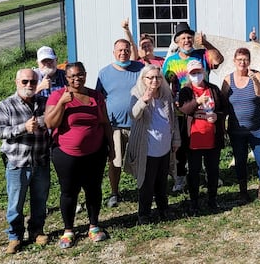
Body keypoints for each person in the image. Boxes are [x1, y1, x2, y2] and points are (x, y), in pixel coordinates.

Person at [45, 62, 112, 249]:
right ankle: (68, 230)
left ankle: (94, 226)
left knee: (93, 189)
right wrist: (62, 103)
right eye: (72, 76)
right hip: (66, 154)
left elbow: (105, 123)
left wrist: (112, 147)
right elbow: (50, 123)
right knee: (69, 192)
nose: (77, 79)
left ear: (85, 74)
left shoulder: (96, 96)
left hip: (95, 152)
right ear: (66, 78)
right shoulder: (58, 96)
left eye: (80, 74)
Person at [163, 22, 224, 192]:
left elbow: (219, 60)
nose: (186, 41)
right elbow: (164, 83)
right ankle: (181, 176)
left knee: (208, 142)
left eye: (189, 37)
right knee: (182, 145)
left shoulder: (202, 55)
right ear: (177, 42)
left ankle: (210, 174)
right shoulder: (171, 61)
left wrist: (205, 43)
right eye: (182, 38)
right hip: (181, 110)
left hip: (205, 108)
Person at [0, 68, 50, 254]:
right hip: (17, 162)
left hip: (40, 160)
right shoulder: (6, 105)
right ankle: (15, 236)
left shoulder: (44, 103)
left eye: (33, 82)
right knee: (16, 202)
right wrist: (23, 128)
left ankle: (36, 231)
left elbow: (52, 122)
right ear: (16, 82)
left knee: (40, 199)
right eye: (25, 81)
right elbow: (0, 132)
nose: (29, 85)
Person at [222, 48, 260, 207]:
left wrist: (255, 80)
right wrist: (222, 124)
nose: (242, 62)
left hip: (257, 128)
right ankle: (243, 192)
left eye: (245, 59)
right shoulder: (228, 80)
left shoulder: (256, 75)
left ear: (249, 61)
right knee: (240, 161)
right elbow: (223, 103)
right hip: (237, 129)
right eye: (239, 59)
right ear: (234, 61)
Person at [125, 65, 181, 224]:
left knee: (162, 181)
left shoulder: (166, 94)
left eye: (157, 77)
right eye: (150, 77)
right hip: (147, 148)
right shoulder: (136, 94)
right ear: (143, 79)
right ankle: (144, 214)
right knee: (146, 183)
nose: (154, 80)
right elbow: (133, 115)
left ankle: (163, 209)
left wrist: (176, 139)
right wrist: (144, 100)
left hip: (164, 147)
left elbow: (173, 119)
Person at [96, 39, 144, 208]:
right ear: (114, 52)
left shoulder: (140, 69)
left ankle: (143, 189)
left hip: (137, 123)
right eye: (120, 50)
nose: (123, 53)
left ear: (131, 51)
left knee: (140, 160)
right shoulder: (104, 73)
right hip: (114, 126)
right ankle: (114, 193)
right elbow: (99, 99)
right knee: (115, 161)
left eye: (126, 50)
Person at [178, 60, 228, 213]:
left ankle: (212, 199)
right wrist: (197, 101)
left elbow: (224, 108)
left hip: (212, 136)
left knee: (213, 170)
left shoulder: (213, 89)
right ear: (189, 75)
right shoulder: (186, 91)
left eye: (199, 72)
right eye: (193, 73)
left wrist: (217, 116)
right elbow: (185, 109)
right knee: (194, 171)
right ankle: (194, 201)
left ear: (204, 72)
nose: (197, 75)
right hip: (194, 138)